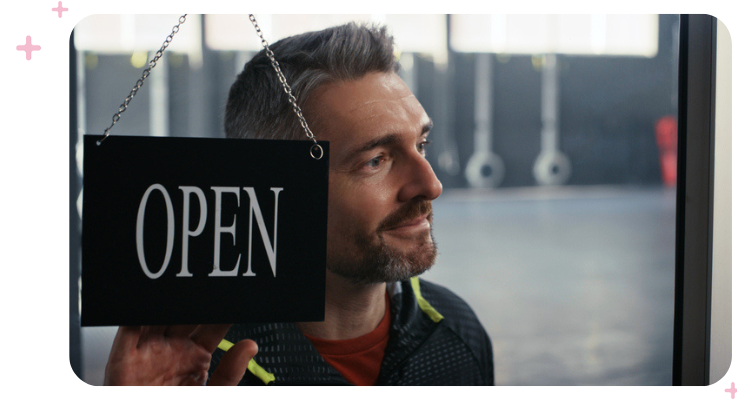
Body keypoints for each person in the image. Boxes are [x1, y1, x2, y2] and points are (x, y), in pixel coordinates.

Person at [103, 22, 493, 386]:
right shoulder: (198, 367)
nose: (431, 185)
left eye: (421, 144)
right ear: (274, 185)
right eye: (375, 160)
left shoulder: (458, 331)